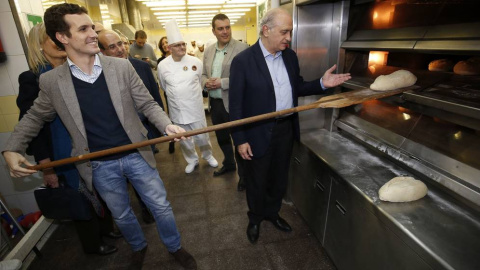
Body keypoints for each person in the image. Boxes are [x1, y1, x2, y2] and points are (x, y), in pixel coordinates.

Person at [2, 4, 196, 269]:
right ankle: (138, 247)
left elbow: (148, 105)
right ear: (63, 37)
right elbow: (34, 117)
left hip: (136, 154)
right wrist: (11, 148)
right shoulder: (52, 82)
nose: (93, 33)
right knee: (122, 214)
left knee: (161, 207)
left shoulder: (121, 68)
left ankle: (174, 247)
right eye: (83, 29)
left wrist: (167, 125)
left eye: (92, 26)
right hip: (98, 165)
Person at [229, 8, 351, 244]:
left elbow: (298, 87)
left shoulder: (290, 56)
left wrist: (322, 84)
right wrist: (240, 139)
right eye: (284, 32)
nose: (288, 37)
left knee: (278, 177)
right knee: (257, 179)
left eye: (290, 32)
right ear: (266, 30)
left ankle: (272, 213)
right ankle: (255, 218)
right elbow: (236, 106)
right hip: (257, 133)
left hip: (285, 130)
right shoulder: (243, 62)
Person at [17, 23, 119, 256]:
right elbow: (33, 126)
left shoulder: (73, 70)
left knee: (100, 190)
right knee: (79, 197)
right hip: (61, 154)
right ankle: (93, 245)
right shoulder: (32, 79)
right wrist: (46, 166)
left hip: (89, 145)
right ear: (39, 45)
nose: (60, 41)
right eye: (53, 38)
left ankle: (107, 229)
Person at [98, 29, 165, 224]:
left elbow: (154, 99)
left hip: (143, 133)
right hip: (116, 138)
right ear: (102, 51)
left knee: (147, 179)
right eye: (113, 47)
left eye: (121, 43)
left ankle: (147, 208)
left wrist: (159, 129)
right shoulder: (99, 74)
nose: (120, 49)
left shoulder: (141, 67)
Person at [158, 19, 218, 174]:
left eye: (183, 44)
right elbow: (164, 86)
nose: (182, 47)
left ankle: (208, 155)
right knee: (185, 141)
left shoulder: (195, 62)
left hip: (195, 108)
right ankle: (192, 160)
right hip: (177, 110)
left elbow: (199, 81)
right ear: (170, 48)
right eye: (177, 45)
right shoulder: (162, 65)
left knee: (202, 137)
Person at [201, 14, 249, 191]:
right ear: (213, 31)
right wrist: (205, 82)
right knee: (222, 137)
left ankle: (244, 176)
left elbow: (247, 77)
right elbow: (203, 74)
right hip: (215, 104)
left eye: (227, 27)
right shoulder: (209, 51)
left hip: (234, 103)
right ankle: (229, 164)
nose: (225, 31)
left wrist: (223, 82)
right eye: (220, 28)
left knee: (239, 139)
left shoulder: (242, 48)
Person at [157, 36, 175, 154]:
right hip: (169, 93)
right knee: (172, 116)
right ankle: (172, 140)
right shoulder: (160, 61)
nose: (165, 45)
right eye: (163, 43)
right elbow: (162, 83)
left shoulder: (178, 58)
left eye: (167, 42)